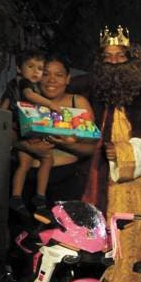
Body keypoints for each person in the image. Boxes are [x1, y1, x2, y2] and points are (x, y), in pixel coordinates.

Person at [81, 27, 141, 282]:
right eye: (107, 56)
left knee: (128, 234)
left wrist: (123, 153)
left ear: (130, 59)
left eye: (119, 56)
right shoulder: (86, 90)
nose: (113, 62)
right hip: (89, 178)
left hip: (130, 181)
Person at [14, 55, 98, 205]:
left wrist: (68, 145)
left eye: (59, 75)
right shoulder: (26, 101)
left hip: (64, 182)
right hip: (24, 182)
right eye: (45, 74)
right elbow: (5, 135)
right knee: (22, 228)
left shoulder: (77, 102)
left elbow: (92, 147)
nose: (51, 80)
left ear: (67, 79)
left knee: (59, 229)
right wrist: (26, 146)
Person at [1, 50, 54, 222]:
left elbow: (3, 106)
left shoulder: (12, 85)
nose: (36, 72)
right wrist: (54, 106)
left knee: (24, 163)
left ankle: (16, 197)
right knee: (47, 159)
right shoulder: (25, 84)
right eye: (30, 67)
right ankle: (40, 196)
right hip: (22, 129)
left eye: (40, 68)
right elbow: (29, 97)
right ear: (18, 68)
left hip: (19, 128)